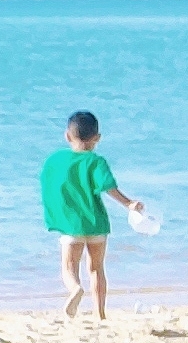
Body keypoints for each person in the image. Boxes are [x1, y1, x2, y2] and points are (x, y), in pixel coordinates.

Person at [40, 111, 142, 321]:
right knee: (96, 269)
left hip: (71, 225)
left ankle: (75, 289)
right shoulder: (96, 162)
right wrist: (129, 204)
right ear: (98, 138)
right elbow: (109, 188)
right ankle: (100, 314)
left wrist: (56, 215)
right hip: (97, 223)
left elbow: (49, 185)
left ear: (67, 136)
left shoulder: (56, 161)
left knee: (69, 267)